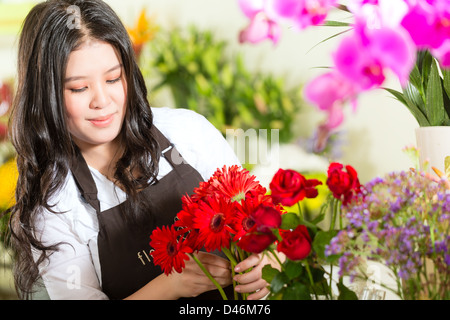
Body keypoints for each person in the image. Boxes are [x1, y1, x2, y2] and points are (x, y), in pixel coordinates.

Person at [7, 0, 276, 300]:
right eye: (79, 88)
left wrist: (267, 262)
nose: (102, 100)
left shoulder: (187, 132)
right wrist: (171, 285)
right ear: (47, 95)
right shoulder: (55, 206)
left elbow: (261, 222)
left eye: (113, 78)